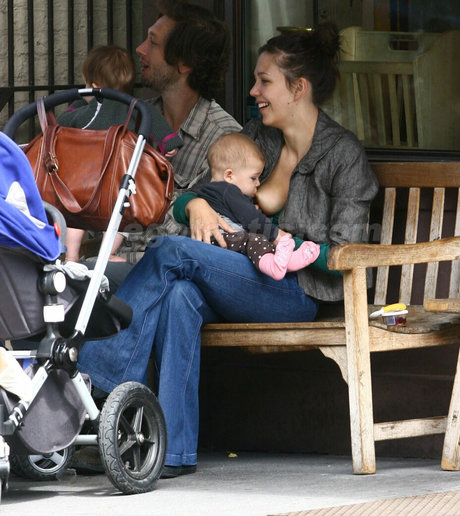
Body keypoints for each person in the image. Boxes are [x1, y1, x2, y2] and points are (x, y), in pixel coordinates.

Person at [77, 23, 379, 479]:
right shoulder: (258, 138)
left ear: (298, 88)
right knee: (179, 296)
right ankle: (171, 452)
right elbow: (186, 200)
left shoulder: (343, 155)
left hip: (295, 290)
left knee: (171, 252)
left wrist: (292, 247)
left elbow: (346, 256)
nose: (253, 91)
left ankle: (95, 382)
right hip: (239, 274)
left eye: (264, 81)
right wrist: (195, 203)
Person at [116, 0, 242, 263]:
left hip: (165, 271)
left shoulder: (225, 139)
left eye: (153, 42)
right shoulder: (135, 119)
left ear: (185, 63)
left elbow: (197, 240)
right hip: (107, 262)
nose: (140, 49)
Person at [56, 45, 180, 263]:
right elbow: (162, 132)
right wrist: (165, 147)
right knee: (120, 216)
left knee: (75, 214)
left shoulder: (86, 110)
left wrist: (78, 105)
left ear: (94, 86)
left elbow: (60, 126)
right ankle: (108, 254)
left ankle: (72, 255)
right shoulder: (136, 107)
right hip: (122, 179)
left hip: (85, 180)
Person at [197, 132, 320, 280]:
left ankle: (287, 261)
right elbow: (250, 217)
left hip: (218, 244)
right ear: (229, 176)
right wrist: (275, 234)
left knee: (256, 240)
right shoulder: (227, 190)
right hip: (220, 241)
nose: (258, 183)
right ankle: (274, 267)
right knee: (253, 240)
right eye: (253, 178)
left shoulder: (212, 192)